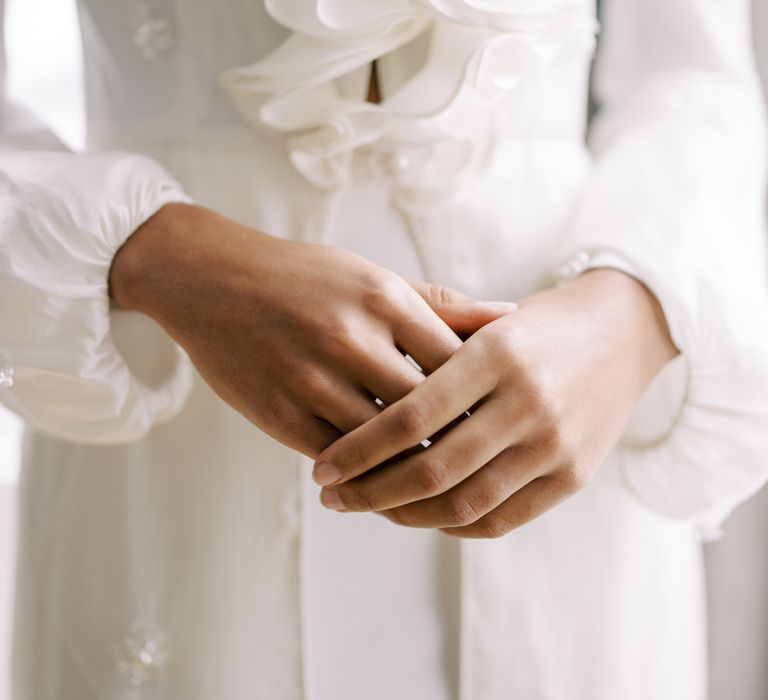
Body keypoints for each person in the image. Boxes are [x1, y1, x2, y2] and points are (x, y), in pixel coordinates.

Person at [2, 0, 768, 698]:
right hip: (174, 369)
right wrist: (162, 257)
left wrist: (628, 314)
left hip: (562, 397)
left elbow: (694, 75)